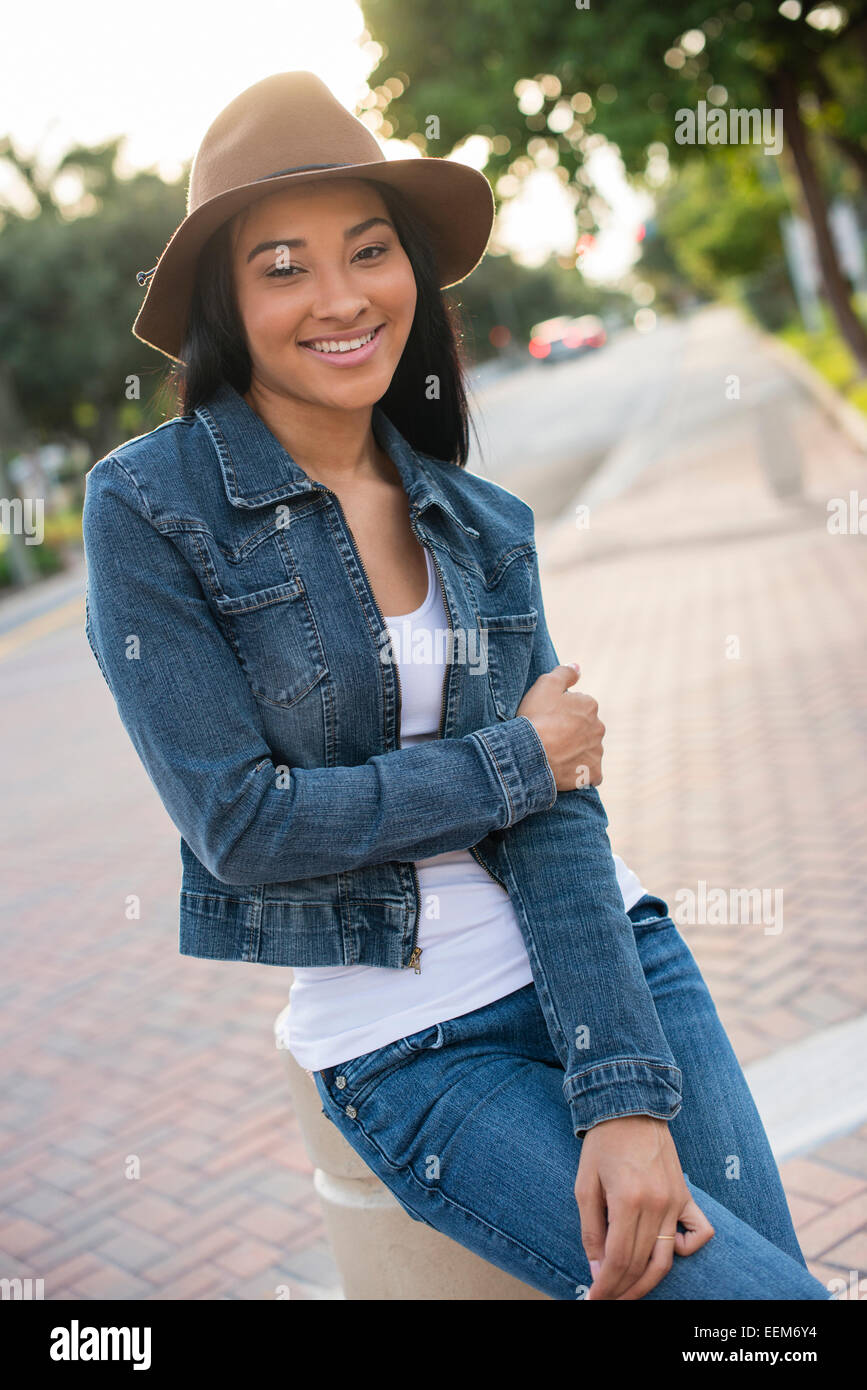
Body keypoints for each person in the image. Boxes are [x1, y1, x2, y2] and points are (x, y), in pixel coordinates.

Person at [82, 71, 830, 1301]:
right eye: (283, 266)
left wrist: (622, 1090)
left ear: (410, 274)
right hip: (414, 1044)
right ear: (226, 298)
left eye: (368, 252)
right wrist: (515, 759)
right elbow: (242, 826)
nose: (340, 298)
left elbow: (564, 819)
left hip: (618, 966)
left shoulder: (478, 519)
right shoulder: (149, 509)